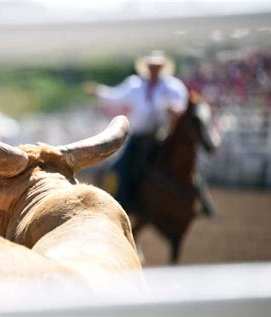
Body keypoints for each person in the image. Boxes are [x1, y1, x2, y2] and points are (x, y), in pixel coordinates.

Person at [85, 51, 217, 218]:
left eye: (157, 67)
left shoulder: (171, 86)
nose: (154, 70)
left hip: (160, 137)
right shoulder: (135, 85)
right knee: (121, 166)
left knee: (184, 164)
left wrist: (176, 110)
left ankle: (202, 200)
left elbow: (182, 104)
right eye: (151, 66)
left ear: (162, 68)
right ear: (146, 68)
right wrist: (99, 91)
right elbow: (116, 96)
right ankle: (122, 201)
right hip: (138, 137)